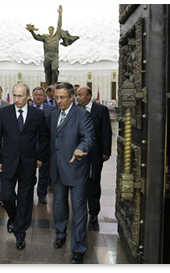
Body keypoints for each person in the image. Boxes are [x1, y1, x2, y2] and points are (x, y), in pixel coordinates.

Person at [0, 83, 49, 250]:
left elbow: (44, 138)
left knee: (25, 200)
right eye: (14, 95)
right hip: (8, 163)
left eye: (20, 96)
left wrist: (40, 158)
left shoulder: (37, 115)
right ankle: (14, 216)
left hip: (28, 164)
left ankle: (20, 233)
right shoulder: (3, 113)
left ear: (28, 96)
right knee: (7, 196)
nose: (17, 99)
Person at [50, 82, 95, 263]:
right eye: (56, 98)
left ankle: (78, 248)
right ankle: (60, 235)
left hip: (76, 168)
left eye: (62, 98)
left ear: (71, 97)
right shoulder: (54, 115)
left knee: (78, 210)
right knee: (59, 206)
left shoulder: (82, 115)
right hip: (58, 169)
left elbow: (89, 137)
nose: (58, 101)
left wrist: (80, 148)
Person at [75, 86, 112, 225]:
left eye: (81, 95)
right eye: (77, 95)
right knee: (79, 183)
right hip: (78, 154)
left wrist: (106, 152)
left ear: (89, 96)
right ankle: (79, 211)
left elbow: (106, 131)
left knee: (93, 183)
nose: (78, 98)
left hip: (95, 154)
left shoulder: (101, 110)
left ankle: (94, 211)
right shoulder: (75, 110)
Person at [26, 5, 79, 87]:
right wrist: (31, 31)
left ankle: (54, 85)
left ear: (53, 31)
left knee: (54, 69)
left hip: (54, 55)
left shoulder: (57, 36)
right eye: (49, 30)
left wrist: (60, 15)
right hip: (47, 56)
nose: (51, 31)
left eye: (52, 30)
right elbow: (36, 37)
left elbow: (59, 25)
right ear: (48, 30)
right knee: (47, 72)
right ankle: (48, 87)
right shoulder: (45, 37)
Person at [32, 86, 55, 204]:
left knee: (45, 173)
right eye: (36, 95)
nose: (38, 97)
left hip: (45, 146)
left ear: (44, 96)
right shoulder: (27, 108)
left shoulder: (51, 109)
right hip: (30, 147)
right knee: (29, 173)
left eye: (41, 95)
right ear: (32, 96)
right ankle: (28, 193)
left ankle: (42, 194)